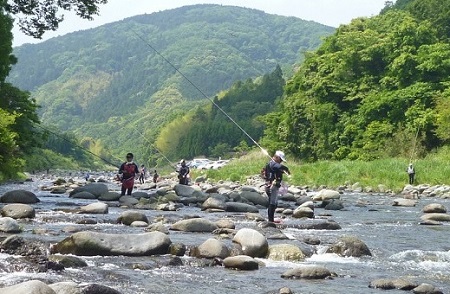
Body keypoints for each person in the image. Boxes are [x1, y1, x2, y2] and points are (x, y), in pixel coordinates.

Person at [264, 150, 291, 223]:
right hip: (271, 186)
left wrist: (283, 171)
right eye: (281, 160)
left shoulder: (272, 164)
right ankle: (270, 221)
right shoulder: (273, 164)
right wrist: (286, 170)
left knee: (274, 203)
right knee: (272, 203)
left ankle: (271, 219)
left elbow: (278, 168)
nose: (281, 161)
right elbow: (280, 166)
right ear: (277, 158)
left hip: (272, 186)